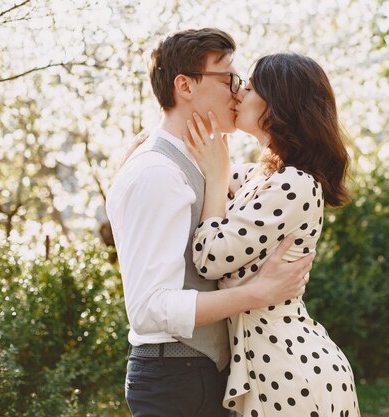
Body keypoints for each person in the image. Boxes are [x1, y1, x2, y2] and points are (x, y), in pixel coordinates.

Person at [106, 29, 314, 417]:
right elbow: (149, 308)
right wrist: (258, 294)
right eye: (228, 79)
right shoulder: (157, 172)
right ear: (185, 85)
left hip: (197, 375)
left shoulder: (194, 165)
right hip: (176, 380)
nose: (238, 92)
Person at [184, 53, 360, 416]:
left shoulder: (294, 184)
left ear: (275, 104)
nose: (238, 94)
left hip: (288, 369)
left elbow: (209, 257)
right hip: (266, 364)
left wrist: (217, 177)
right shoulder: (259, 177)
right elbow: (196, 179)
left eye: (249, 87)